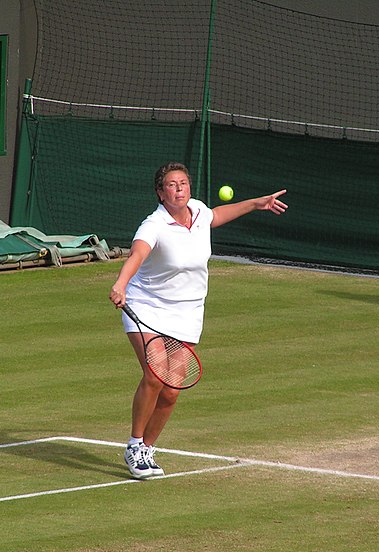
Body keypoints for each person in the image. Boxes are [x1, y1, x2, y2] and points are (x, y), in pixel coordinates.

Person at [109, 162, 287, 479]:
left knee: (172, 390)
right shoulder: (154, 225)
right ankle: (134, 446)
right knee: (154, 375)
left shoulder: (200, 211)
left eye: (183, 183)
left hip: (188, 310)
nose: (179, 189)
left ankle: (149, 448)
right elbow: (136, 255)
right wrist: (121, 284)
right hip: (147, 305)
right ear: (160, 194)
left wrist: (257, 204)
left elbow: (219, 215)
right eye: (172, 185)